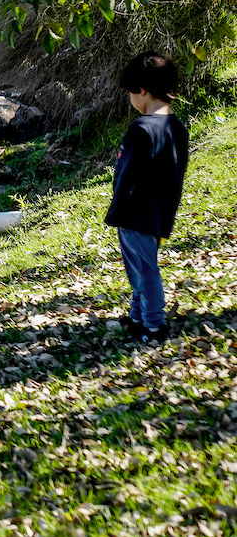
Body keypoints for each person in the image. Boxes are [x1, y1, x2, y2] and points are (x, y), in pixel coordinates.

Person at [105, 51, 190, 344]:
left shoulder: (140, 130)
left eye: (130, 93)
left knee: (143, 271)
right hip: (159, 213)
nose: (131, 100)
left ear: (141, 89)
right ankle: (138, 316)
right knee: (143, 266)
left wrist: (116, 210)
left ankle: (154, 325)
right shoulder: (177, 128)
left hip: (134, 214)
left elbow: (126, 175)